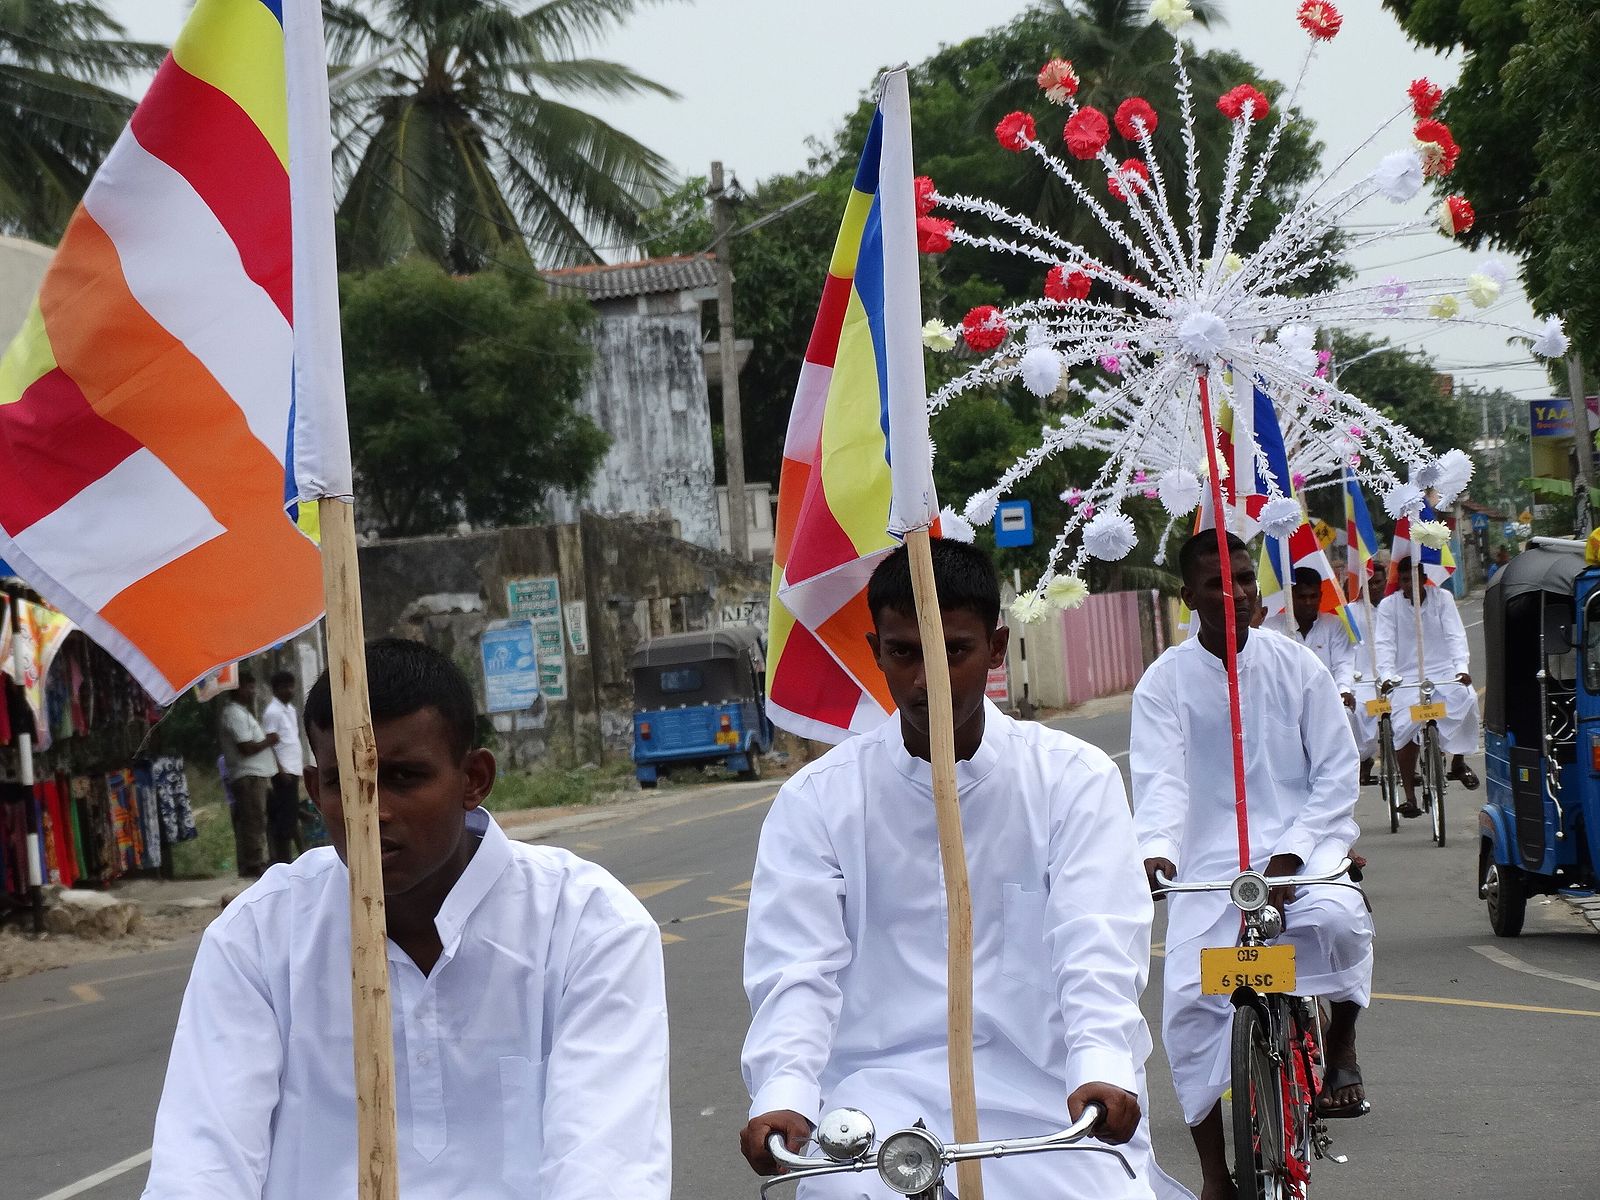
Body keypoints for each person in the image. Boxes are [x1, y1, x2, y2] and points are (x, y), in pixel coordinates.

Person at [739, 537, 1188, 1200]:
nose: (928, 681)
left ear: (997, 649)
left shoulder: (1073, 780)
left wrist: (1099, 1065)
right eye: (905, 653)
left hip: (1047, 1100)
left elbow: (1096, 945)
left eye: (954, 651)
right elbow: (798, 970)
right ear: (876, 654)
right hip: (877, 1110)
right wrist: (783, 1089)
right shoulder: (818, 801)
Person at [142, 638, 671, 1200]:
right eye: (342, 784)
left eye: (402, 777)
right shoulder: (258, 937)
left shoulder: (589, 928)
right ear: (313, 787)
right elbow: (201, 1166)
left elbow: (606, 1170)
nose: (371, 812)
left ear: (474, 779)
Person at [1132, 532, 1373, 1200]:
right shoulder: (1163, 683)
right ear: (1190, 596)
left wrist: (1294, 853)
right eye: (1217, 583)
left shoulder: (1297, 666)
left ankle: (1341, 1041)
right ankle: (1215, 1174)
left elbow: (1334, 770)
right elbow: (1160, 784)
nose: (1235, 593)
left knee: (1338, 921)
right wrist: (1156, 851)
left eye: (1242, 579)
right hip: (1210, 865)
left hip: (1302, 844)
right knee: (1187, 1000)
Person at [1375, 557, 1481, 814]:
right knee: (1404, 726)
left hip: (1442, 671)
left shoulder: (1442, 598)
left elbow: (1456, 636)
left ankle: (1458, 761)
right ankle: (1410, 796)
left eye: (1412, 579)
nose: (1407, 585)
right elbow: (1384, 644)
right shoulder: (1389, 606)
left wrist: (1461, 670)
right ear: (1398, 581)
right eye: (1402, 580)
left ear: (1423, 579)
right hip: (1406, 677)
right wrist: (1387, 675)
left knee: (1468, 698)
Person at [217, 672, 278, 878]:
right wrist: (269, 741)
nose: (252, 692)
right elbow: (246, 747)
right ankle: (254, 862)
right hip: (248, 776)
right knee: (253, 820)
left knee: (257, 819)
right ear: (237, 689)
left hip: (256, 775)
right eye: (248, 687)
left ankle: (256, 860)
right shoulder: (233, 713)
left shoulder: (243, 712)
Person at [260, 670, 305, 864]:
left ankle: (294, 855)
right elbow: (271, 744)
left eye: (291, 686)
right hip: (283, 770)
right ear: (276, 689)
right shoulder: (272, 712)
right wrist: (280, 769)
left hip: (294, 767)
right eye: (286, 687)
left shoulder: (291, 710)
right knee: (284, 815)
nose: (290, 691)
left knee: (291, 812)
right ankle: (282, 858)